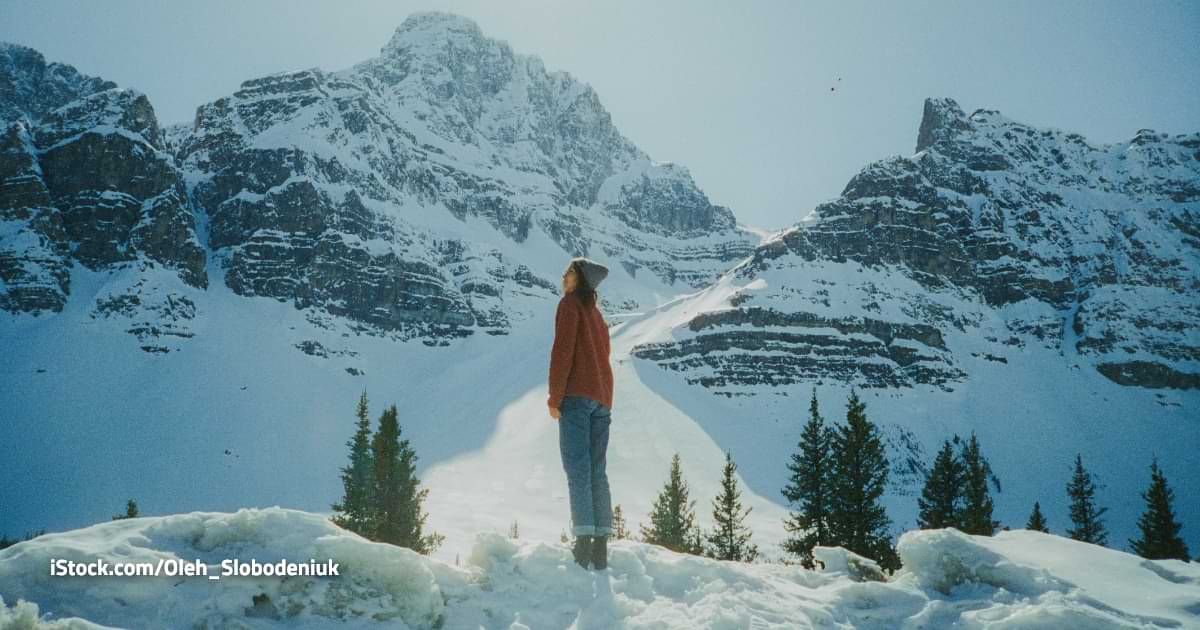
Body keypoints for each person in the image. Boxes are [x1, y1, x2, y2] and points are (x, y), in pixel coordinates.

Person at [547, 256, 615, 571]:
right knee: (596, 471)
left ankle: (583, 545)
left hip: (576, 396)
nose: (564, 276)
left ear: (579, 278)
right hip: (603, 399)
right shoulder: (597, 316)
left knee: (577, 470)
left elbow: (563, 351)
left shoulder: (570, 305)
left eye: (569, 272)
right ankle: (601, 545)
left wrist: (555, 397)